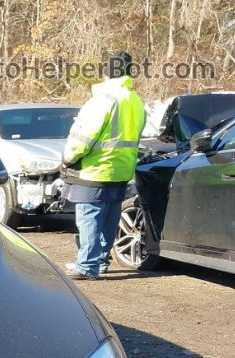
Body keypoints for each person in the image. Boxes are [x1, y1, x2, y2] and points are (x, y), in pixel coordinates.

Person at [62, 52, 146, 280]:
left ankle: (86, 266)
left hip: (95, 169)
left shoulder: (103, 98)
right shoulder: (135, 100)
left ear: (106, 71)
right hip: (121, 169)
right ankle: (100, 262)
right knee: (110, 217)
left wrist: (68, 157)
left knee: (89, 218)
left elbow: (85, 136)